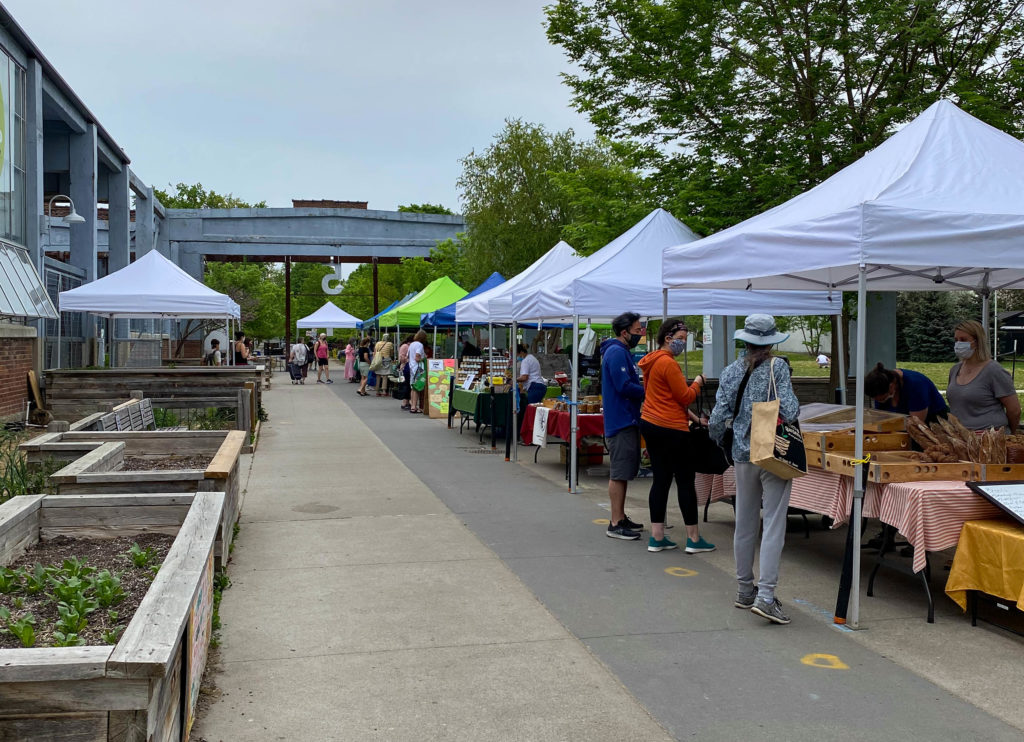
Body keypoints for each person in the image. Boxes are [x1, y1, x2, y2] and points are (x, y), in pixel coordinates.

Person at [709, 314, 800, 625]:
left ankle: (744, 589)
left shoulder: (730, 371)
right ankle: (766, 594)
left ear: (744, 340)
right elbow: (789, 410)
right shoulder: (779, 367)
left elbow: (718, 418)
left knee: (744, 522)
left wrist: (726, 439)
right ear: (772, 341)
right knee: (774, 523)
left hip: (741, 454)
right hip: (772, 451)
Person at [637, 318, 715, 554]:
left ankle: (657, 537)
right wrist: (699, 383)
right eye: (680, 339)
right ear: (667, 339)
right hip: (672, 429)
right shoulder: (668, 364)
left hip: (651, 423)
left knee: (660, 480)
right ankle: (693, 538)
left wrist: (693, 419)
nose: (683, 343)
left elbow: (665, 397)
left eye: (685, 339)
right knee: (684, 481)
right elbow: (684, 397)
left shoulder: (650, 362)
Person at [600, 311, 647, 540]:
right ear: (624, 332)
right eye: (638, 331)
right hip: (621, 421)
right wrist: (649, 391)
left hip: (626, 419)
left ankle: (620, 515)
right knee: (619, 472)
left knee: (625, 471)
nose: (641, 334)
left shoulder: (621, 352)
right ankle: (615, 522)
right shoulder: (616, 352)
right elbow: (624, 385)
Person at [947, 320, 1020, 432]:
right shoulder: (955, 370)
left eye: (963, 340)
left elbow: (1014, 410)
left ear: (977, 342)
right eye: (956, 340)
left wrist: (1010, 433)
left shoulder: (994, 371)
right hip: (961, 437)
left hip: (990, 438)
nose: (958, 344)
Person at [865, 363, 948, 424]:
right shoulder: (879, 386)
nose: (879, 401)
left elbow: (916, 424)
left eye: (883, 399)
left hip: (934, 424)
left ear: (891, 386)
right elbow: (881, 419)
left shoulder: (916, 384)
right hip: (904, 425)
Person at [407, 329, 427, 413]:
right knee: (417, 387)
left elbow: (408, 356)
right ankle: (414, 407)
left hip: (411, 367)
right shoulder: (419, 345)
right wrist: (424, 358)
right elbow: (417, 357)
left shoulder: (411, 344)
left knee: (413, 387)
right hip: (418, 368)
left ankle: (412, 404)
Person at [397, 334, 414, 410]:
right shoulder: (406, 346)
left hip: (403, 368)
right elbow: (402, 358)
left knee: (405, 384)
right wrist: (409, 359)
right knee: (406, 385)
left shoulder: (404, 346)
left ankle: (406, 401)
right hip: (404, 367)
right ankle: (405, 401)